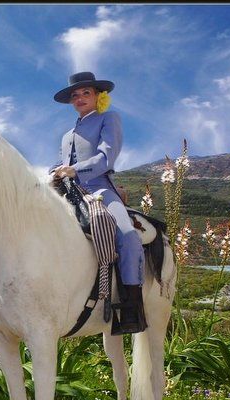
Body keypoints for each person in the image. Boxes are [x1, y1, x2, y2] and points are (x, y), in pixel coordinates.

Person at [50, 71, 146, 334]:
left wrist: (75, 169)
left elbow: (107, 157)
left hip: (100, 187)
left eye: (86, 93)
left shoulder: (108, 119)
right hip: (68, 190)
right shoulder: (67, 134)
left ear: (98, 97)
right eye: (75, 95)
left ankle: (131, 307)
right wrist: (53, 173)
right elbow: (60, 163)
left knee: (128, 236)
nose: (79, 98)